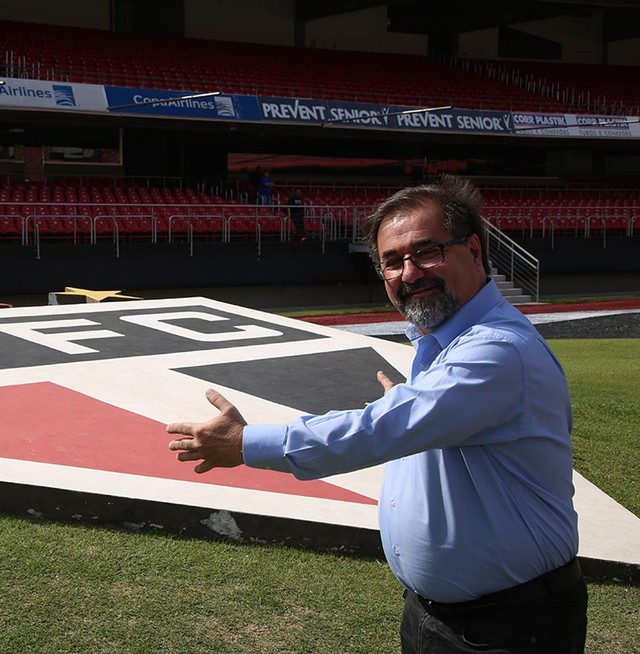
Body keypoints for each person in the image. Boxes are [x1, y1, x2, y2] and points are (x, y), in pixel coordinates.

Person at [166, 175, 587, 653]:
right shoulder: (447, 345)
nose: (409, 273)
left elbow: (377, 430)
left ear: (473, 250)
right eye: (392, 262)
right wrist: (410, 403)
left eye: (427, 252)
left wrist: (245, 443)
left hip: (510, 627)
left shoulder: (497, 351)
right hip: (438, 616)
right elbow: (418, 419)